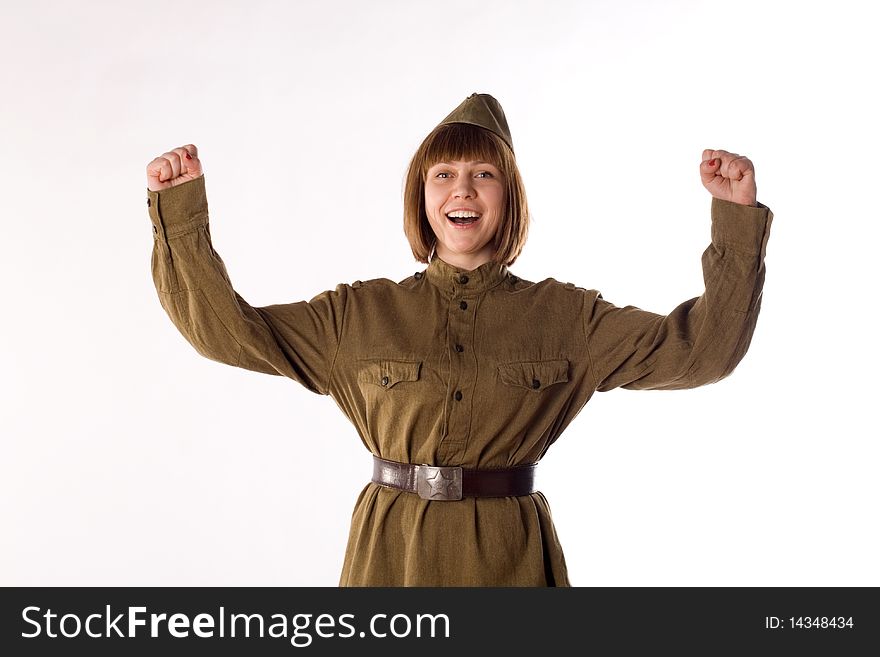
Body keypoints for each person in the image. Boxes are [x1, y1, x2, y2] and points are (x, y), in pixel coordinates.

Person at [145, 93, 773, 586]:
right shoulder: (356, 314)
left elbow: (701, 352)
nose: (462, 190)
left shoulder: (568, 316)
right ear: (422, 198)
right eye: (442, 174)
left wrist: (736, 220)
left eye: (483, 174)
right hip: (391, 562)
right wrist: (180, 216)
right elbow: (228, 332)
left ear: (509, 197)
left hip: (512, 562)